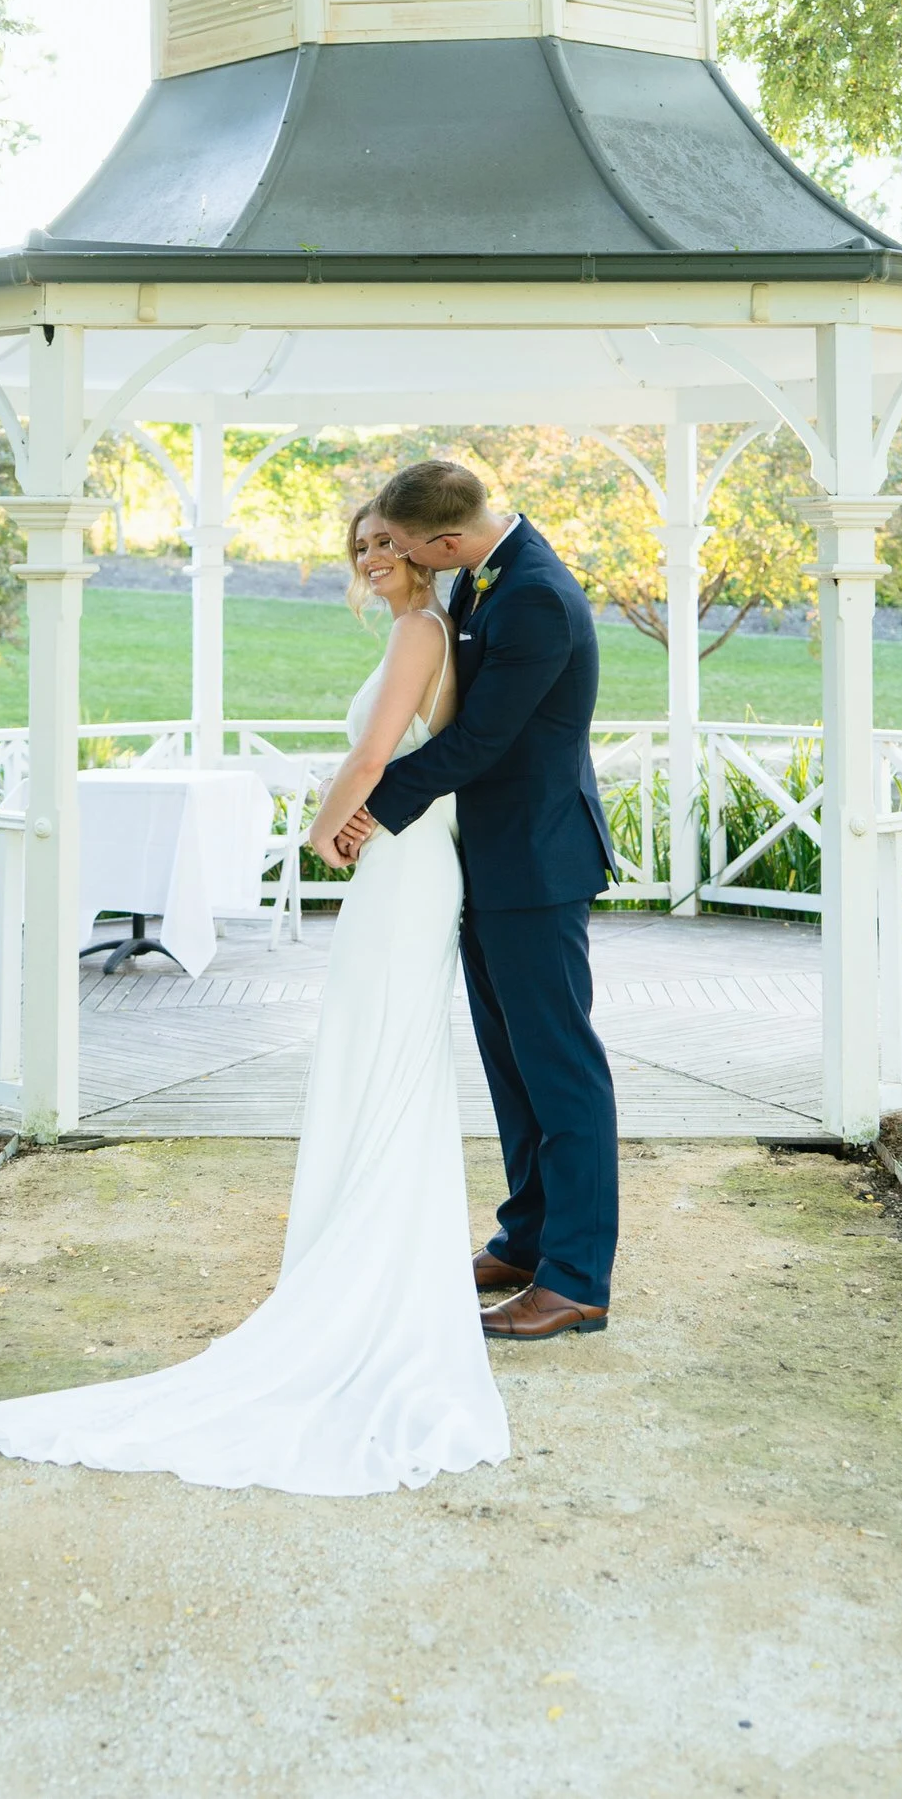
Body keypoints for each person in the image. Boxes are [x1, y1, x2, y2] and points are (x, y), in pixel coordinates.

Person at [0, 504, 507, 1496]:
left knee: (383, 1054)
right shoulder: (430, 627)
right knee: (380, 1056)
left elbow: (374, 757)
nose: (372, 556)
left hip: (404, 865)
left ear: (420, 546)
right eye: (360, 545)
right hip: (407, 862)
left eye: (385, 540)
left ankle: (372, 1274)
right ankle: (370, 1257)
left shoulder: (420, 630)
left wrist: (323, 831)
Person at [338, 458, 619, 1342]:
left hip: (536, 864)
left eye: (405, 545)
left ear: (447, 540)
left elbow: (483, 741)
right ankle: (526, 1238)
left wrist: (367, 811)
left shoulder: (533, 595)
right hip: (488, 861)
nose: (396, 558)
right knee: (513, 1067)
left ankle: (576, 1278)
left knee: (561, 1070)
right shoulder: (485, 575)